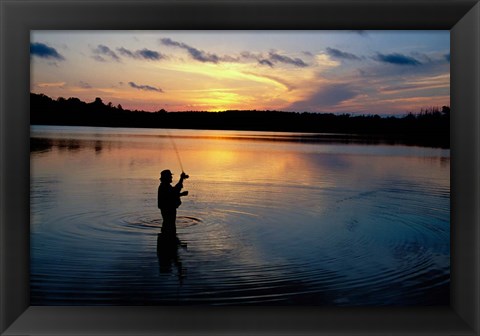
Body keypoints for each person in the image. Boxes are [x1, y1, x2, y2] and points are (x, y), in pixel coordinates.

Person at [157, 169, 189, 237]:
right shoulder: (164, 186)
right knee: (169, 225)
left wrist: (181, 179)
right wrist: (182, 194)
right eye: (170, 176)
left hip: (168, 209)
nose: (171, 177)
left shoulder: (165, 185)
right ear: (166, 177)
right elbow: (173, 193)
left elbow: (173, 192)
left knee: (168, 224)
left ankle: (170, 241)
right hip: (168, 209)